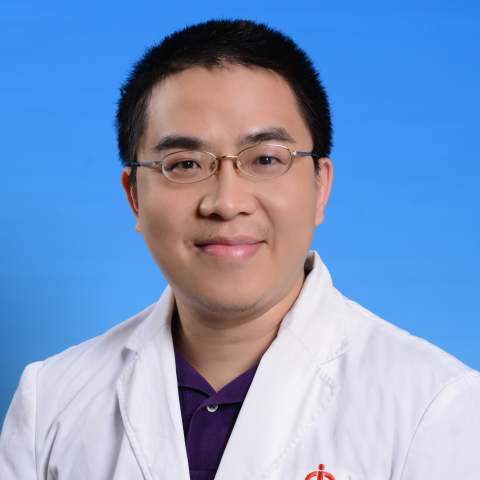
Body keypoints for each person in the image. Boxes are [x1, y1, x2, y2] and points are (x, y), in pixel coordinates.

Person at [0, 19, 479, 480]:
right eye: (185, 164)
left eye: (266, 159)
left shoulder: (436, 406)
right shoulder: (52, 402)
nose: (226, 203)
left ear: (320, 187)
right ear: (134, 198)